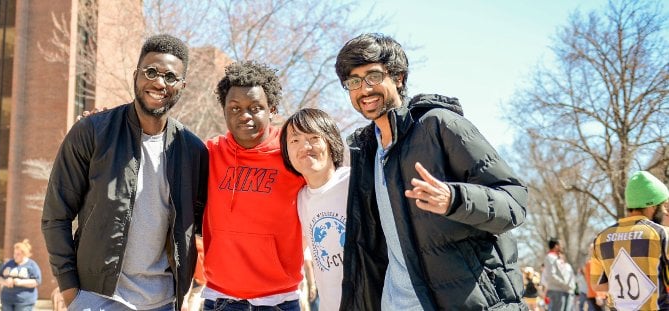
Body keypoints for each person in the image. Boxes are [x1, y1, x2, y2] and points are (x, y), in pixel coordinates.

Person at [334, 33, 528, 310]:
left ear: (398, 77)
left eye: (373, 77)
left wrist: (455, 199)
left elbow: (514, 202)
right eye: (353, 82)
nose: (364, 89)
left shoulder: (439, 125)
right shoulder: (364, 153)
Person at [41, 34, 209, 311]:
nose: (158, 82)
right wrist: (71, 290)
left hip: (163, 302)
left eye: (170, 77)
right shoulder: (93, 132)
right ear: (136, 75)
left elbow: (206, 225)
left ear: (182, 85)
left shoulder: (192, 150)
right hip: (97, 299)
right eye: (151, 72)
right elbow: (55, 215)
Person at [201, 60, 305, 311]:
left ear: (272, 109)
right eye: (234, 108)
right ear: (224, 109)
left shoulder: (292, 151)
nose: (244, 116)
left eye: (255, 107)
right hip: (220, 299)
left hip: (279, 300)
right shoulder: (209, 153)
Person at [280, 108, 349, 311]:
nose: (305, 147)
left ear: (331, 141)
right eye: (295, 141)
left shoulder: (355, 182)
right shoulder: (300, 199)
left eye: (313, 137)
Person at [590, 170, 669, 310]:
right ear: (652, 206)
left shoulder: (601, 238)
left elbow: (597, 285)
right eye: (663, 206)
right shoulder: (662, 234)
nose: (665, 211)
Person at [0, 239, 42, 311]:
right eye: (14, 253)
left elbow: (37, 281)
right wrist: (5, 282)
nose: (15, 256)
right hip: (7, 300)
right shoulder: (9, 263)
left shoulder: (32, 265)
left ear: (24, 254)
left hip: (24, 302)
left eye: (18, 254)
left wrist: (20, 282)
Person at [544, 238, 576, 311]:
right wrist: (565, 284)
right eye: (560, 245)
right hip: (557, 291)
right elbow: (552, 275)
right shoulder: (550, 257)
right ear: (556, 246)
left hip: (563, 290)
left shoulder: (557, 257)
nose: (562, 246)